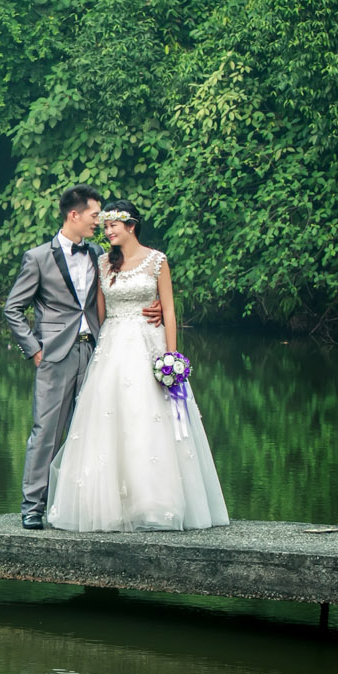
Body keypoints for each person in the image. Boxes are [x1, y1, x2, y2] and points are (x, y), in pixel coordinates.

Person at [46, 199, 229, 532]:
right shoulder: (103, 263)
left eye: (113, 225)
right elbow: (99, 313)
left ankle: (155, 504)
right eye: (105, 226)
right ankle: (110, 505)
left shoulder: (157, 261)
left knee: (150, 420)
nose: (108, 231)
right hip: (114, 347)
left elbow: (169, 311)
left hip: (150, 345)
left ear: (131, 225)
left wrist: (171, 357)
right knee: (112, 420)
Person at [4, 185, 162, 530]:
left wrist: (158, 305)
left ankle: (78, 504)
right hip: (54, 355)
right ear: (73, 215)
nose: (100, 223)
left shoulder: (99, 255)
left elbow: (126, 285)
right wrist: (33, 350)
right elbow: (12, 309)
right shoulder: (38, 258)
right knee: (46, 431)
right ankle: (32, 506)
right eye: (95, 216)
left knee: (91, 433)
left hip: (97, 352)